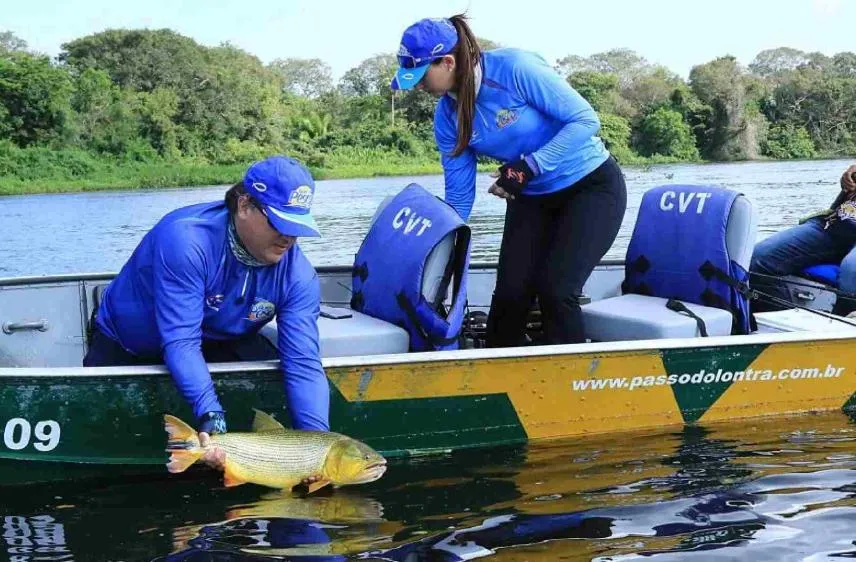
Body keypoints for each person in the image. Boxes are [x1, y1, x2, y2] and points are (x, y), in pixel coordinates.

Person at [390, 15, 627, 346]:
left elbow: (585, 120)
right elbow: (459, 200)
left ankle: (571, 385)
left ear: (447, 62)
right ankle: (498, 388)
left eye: (420, 75)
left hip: (590, 188)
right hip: (531, 198)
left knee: (557, 292)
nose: (417, 85)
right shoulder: (447, 117)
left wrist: (528, 167)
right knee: (510, 297)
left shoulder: (514, 68)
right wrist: (430, 250)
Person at [84, 155, 330, 463]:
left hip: (222, 340)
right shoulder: (187, 241)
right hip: (131, 344)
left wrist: (318, 448)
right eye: (279, 223)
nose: (289, 238)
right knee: (98, 429)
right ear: (244, 205)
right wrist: (211, 414)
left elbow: (303, 364)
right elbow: (181, 341)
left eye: (297, 227)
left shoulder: (299, 276)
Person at [750, 164, 856, 315]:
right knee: (758, 258)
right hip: (833, 224)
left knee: (852, 269)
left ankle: (843, 328)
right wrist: (849, 178)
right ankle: (789, 329)